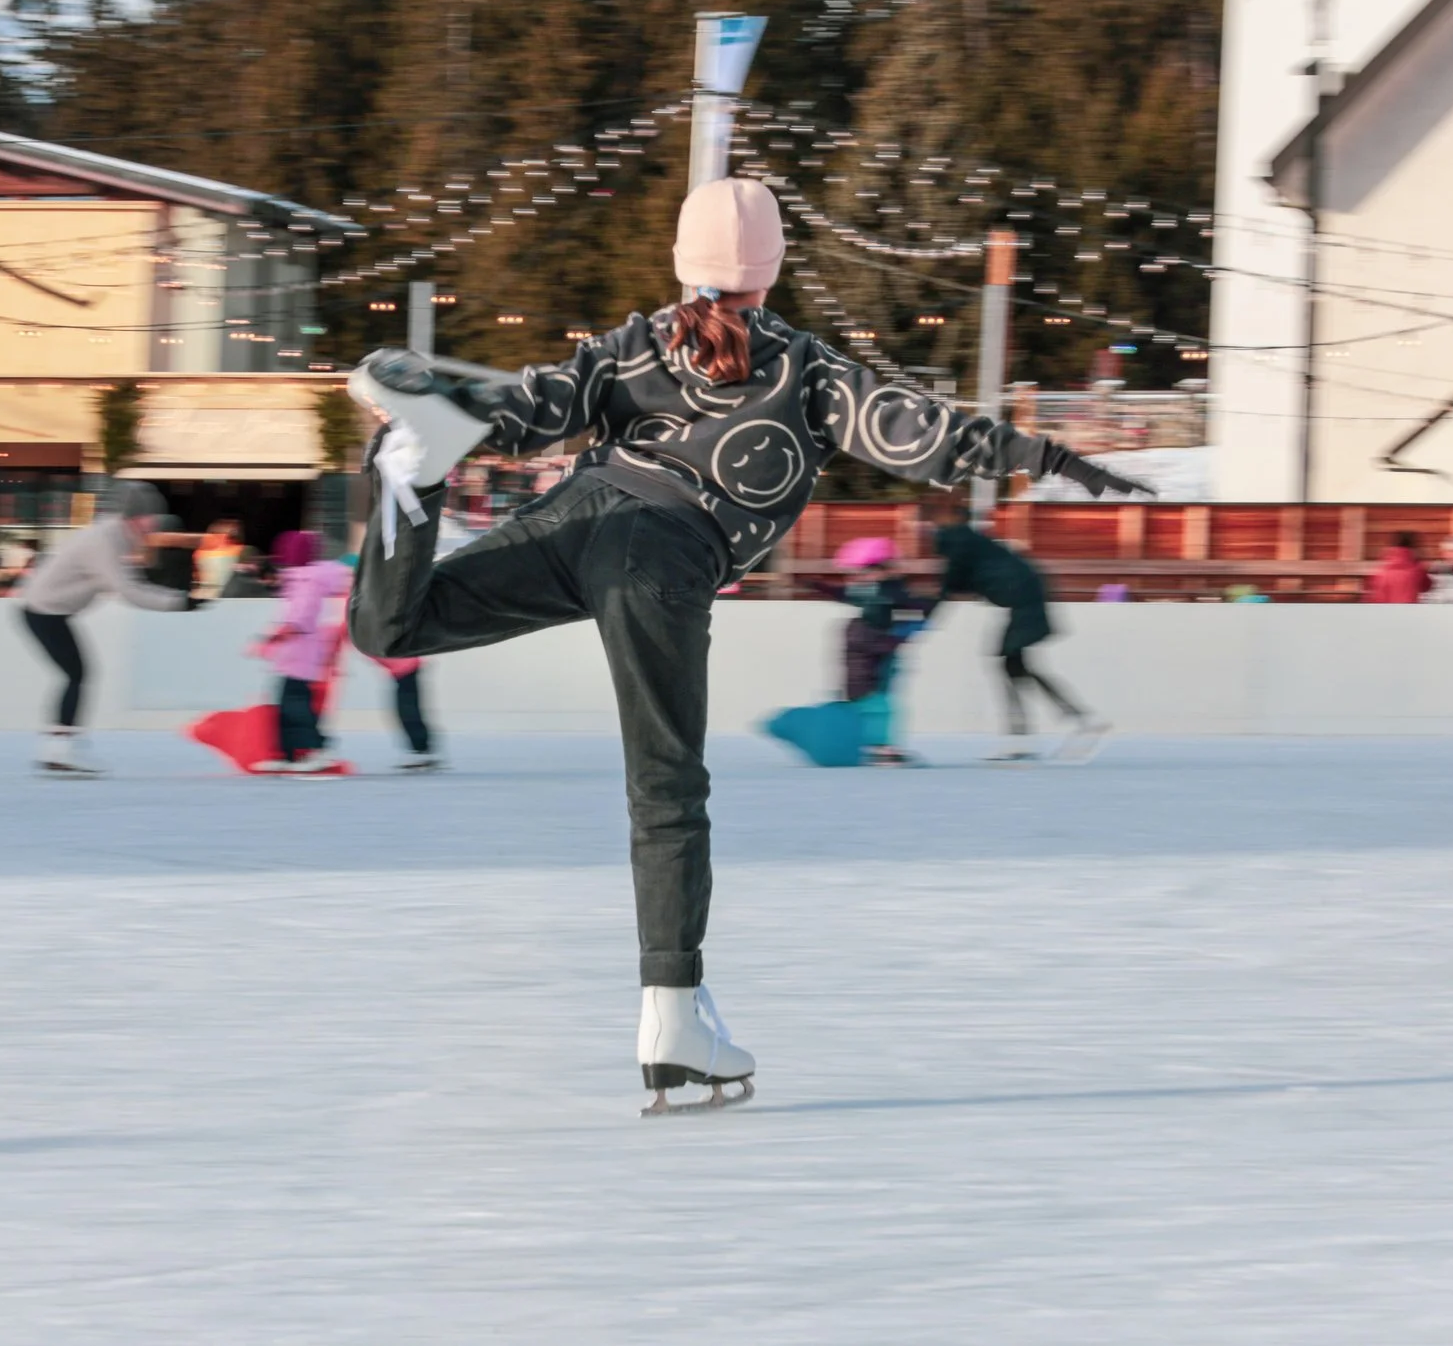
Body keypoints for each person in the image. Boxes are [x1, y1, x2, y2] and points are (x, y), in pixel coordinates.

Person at [345, 175, 1148, 1113]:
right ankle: (674, 1019)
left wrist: (450, 414)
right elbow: (916, 432)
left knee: (392, 623)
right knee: (667, 789)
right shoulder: (805, 367)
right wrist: (1052, 459)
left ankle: (413, 470)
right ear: (772, 271)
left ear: (683, 262)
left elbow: (531, 413)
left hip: (577, 521)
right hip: (664, 558)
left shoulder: (633, 342)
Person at [15, 482, 192, 776]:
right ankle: (59, 747)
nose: (155, 523)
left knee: (76, 673)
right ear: (136, 516)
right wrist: (181, 602)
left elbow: (126, 580)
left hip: (49, 610)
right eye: (152, 516)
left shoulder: (116, 536)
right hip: (44, 611)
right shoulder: (104, 541)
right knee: (77, 673)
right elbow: (129, 590)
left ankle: (59, 745)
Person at [927, 499, 1104, 762]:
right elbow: (961, 581)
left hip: (1025, 604)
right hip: (1027, 600)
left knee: (1009, 664)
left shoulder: (958, 541)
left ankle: (1039, 732)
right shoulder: (970, 540)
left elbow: (950, 584)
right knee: (1015, 667)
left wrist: (924, 620)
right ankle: (1071, 721)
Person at [252, 530, 353, 773]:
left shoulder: (305, 580)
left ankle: (315, 750)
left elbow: (301, 616)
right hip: (295, 654)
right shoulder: (298, 579)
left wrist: (276, 635)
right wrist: (274, 640)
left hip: (301, 654)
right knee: (287, 706)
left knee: (295, 707)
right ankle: (287, 754)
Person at [836, 536, 929, 766]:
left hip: (883, 654)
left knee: (882, 702)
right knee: (878, 705)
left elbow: (913, 611)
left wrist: (906, 631)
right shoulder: (869, 597)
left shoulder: (891, 590)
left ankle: (874, 744)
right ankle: (876, 745)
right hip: (872, 660)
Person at [1365, 532, 1428, 603]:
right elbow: (1426, 587)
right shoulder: (1417, 570)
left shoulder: (1382, 570)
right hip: (1409, 611)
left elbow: (1374, 597)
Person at [193, 519, 245, 601]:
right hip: (232, 596)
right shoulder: (241, 551)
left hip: (205, 596)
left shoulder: (199, 553)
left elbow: (196, 576)